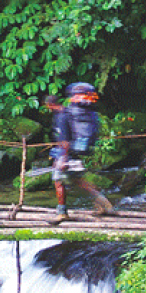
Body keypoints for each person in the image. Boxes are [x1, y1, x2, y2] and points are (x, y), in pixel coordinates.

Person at [44, 93, 113, 223]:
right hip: (73, 155)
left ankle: (62, 213)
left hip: (67, 156)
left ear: (50, 105)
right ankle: (103, 201)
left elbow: (65, 141)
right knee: (79, 182)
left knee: (58, 182)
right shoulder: (68, 113)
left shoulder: (61, 117)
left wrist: (62, 160)